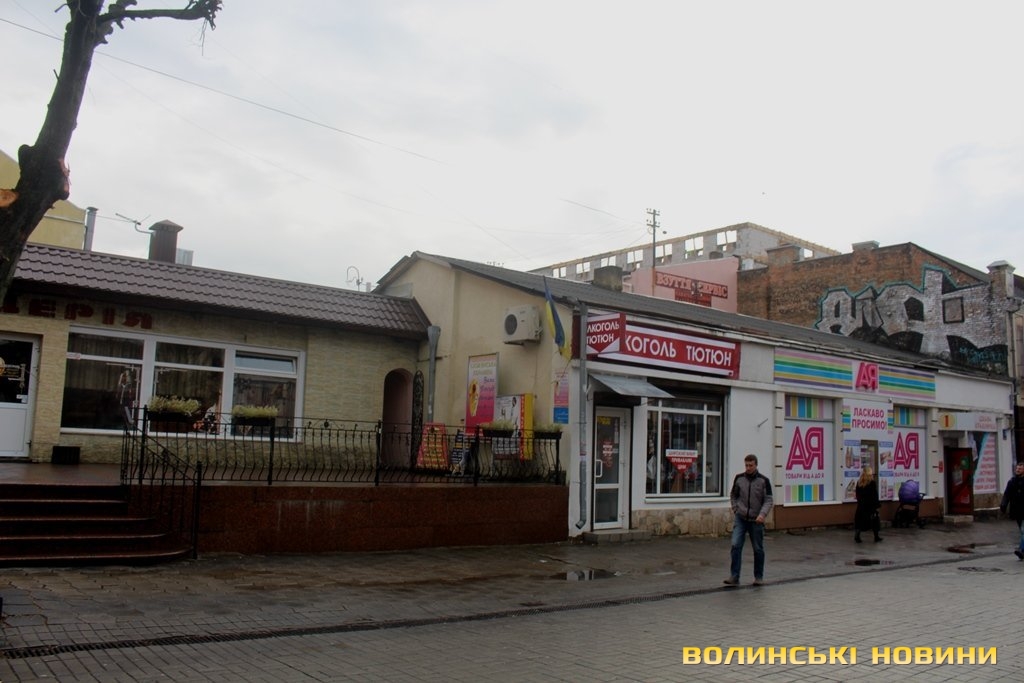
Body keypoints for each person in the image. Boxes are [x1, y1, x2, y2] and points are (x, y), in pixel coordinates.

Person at [724, 454, 773, 586]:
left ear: (756, 465)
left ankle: (758, 577)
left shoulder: (763, 481)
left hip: (756, 520)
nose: (748, 468)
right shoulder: (739, 478)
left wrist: (762, 514)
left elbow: (768, 500)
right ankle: (734, 576)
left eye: (751, 465)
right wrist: (735, 509)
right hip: (741, 518)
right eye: (746, 465)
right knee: (735, 545)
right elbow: (733, 495)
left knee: (758, 548)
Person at [999, 461, 1024, 560]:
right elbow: (1007, 494)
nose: (1018, 470)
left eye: (1020, 469)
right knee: (1022, 531)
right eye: (1017, 468)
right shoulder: (1012, 482)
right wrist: (1003, 505)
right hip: (1017, 510)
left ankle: (1021, 550)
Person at [854, 466, 882, 543]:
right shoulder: (872, 483)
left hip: (861, 506)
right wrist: (877, 505)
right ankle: (876, 536)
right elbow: (874, 495)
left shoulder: (859, 483)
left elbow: (857, 495)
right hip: (870, 506)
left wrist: (860, 502)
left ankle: (857, 536)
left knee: (860, 521)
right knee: (875, 521)